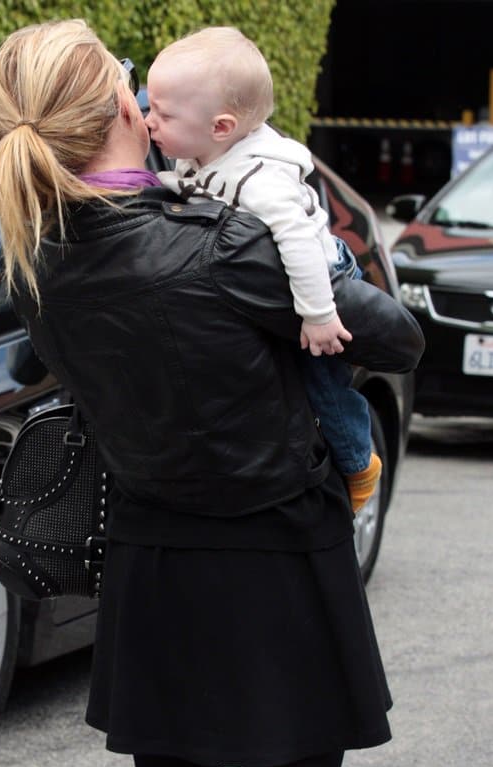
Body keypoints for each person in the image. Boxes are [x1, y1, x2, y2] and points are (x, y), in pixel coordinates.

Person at [0, 19, 423, 767]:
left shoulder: (37, 259)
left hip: (150, 558)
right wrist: (315, 244)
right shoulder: (224, 244)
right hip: (279, 557)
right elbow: (396, 338)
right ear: (122, 101)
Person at [147, 27, 380, 513]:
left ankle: (359, 462)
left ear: (221, 128)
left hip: (321, 270)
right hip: (276, 275)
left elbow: (297, 242)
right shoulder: (197, 154)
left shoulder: (262, 179)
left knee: (322, 379)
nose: (150, 122)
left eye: (163, 114)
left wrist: (318, 314)